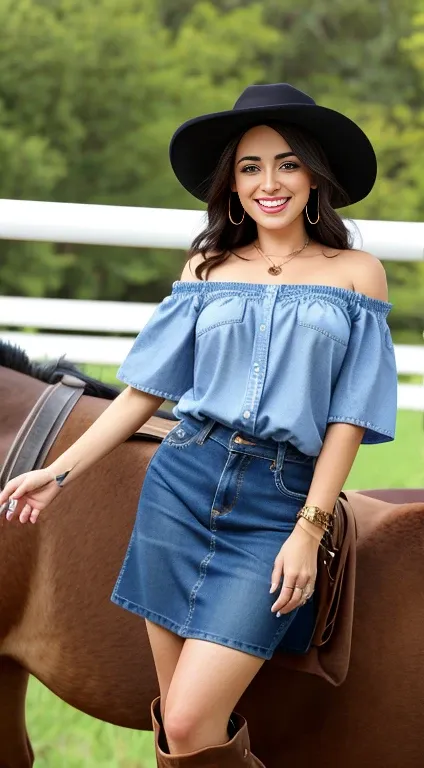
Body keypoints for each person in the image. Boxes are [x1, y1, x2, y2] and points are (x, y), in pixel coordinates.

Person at [0, 83, 398, 767]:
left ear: (314, 176)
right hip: (178, 486)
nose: (268, 182)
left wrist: (309, 527)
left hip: (276, 500)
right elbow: (143, 393)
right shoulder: (205, 268)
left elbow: (349, 416)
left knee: (188, 722)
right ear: (231, 184)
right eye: (249, 167)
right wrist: (56, 473)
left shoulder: (356, 274)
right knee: (177, 731)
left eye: (287, 163)